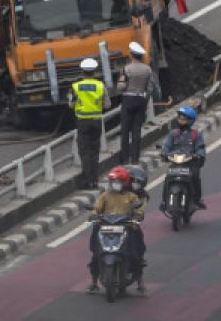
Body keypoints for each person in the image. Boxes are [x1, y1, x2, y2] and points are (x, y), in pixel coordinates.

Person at [86, 167, 144, 295]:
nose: (115, 184)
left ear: (125, 182)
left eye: (119, 181)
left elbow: (139, 209)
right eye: (113, 181)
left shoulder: (131, 196)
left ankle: (140, 283)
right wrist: (94, 214)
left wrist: (138, 215)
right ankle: (94, 283)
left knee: (135, 254)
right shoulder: (105, 195)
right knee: (96, 255)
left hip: (126, 227)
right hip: (105, 226)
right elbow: (96, 208)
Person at [70, 58, 110, 189]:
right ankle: (95, 180)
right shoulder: (100, 85)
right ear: (94, 72)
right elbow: (107, 104)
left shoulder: (75, 87)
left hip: (82, 122)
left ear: (82, 71)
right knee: (94, 150)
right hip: (97, 121)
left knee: (84, 151)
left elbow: (71, 104)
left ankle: (88, 181)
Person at [117, 42, 159, 165]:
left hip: (128, 100)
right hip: (140, 99)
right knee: (136, 130)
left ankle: (125, 158)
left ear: (131, 55)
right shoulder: (147, 69)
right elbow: (150, 88)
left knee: (125, 130)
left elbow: (120, 86)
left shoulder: (126, 69)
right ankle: (135, 158)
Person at [161, 105, 206, 209]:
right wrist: (164, 153)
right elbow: (166, 146)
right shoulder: (173, 134)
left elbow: (200, 147)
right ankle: (164, 201)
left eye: (184, 119)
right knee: (167, 178)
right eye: (180, 118)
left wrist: (198, 155)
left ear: (190, 121)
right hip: (175, 163)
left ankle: (197, 200)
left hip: (190, 164)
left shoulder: (196, 135)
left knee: (195, 176)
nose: (181, 121)